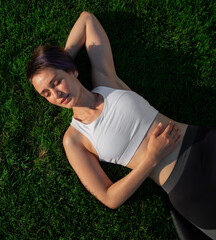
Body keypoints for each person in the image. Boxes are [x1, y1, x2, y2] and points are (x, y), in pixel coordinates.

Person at [26, 12, 216, 239]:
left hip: (204, 143)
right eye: (46, 93)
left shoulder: (106, 81)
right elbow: (109, 198)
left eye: (56, 82)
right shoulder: (75, 140)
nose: (56, 94)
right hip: (188, 189)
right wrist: (151, 159)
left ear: (73, 70)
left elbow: (87, 20)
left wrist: (58, 62)